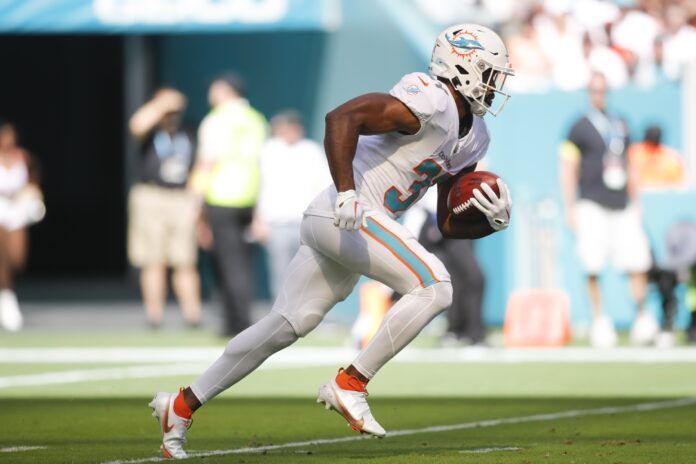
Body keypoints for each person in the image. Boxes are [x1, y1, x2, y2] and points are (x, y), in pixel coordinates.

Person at [150, 24, 514, 458]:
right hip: (349, 212)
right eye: (490, 74)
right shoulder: (431, 99)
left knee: (285, 325)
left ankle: (182, 405)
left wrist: (485, 219)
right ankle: (350, 384)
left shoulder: (475, 135)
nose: (494, 87)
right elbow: (342, 118)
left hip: (355, 225)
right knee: (436, 285)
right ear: (462, 67)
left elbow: (446, 222)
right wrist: (346, 192)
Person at [560, 72, 653, 348]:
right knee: (592, 262)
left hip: (621, 202)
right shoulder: (578, 127)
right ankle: (599, 320)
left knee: (637, 261)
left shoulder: (621, 123)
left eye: (603, 90)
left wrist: (637, 201)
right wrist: (570, 206)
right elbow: (568, 168)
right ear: (589, 93)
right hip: (591, 202)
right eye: (595, 90)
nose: (599, 95)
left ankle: (641, 317)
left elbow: (631, 165)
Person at [189, 74, 267, 337]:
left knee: (226, 263)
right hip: (249, 197)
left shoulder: (216, 119)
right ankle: (238, 319)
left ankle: (237, 322)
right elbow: (261, 164)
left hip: (222, 197)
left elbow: (206, 161)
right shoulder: (256, 119)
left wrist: (194, 200)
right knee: (242, 263)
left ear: (224, 91)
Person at [128, 88, 201, 328]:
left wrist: (195, 203)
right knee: (153, 259)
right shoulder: (151, 132)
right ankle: (154, 316)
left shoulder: (187, 133)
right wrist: (160, 104)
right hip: (151, 195)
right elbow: (136, 125)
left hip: (180, 197)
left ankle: (192, 316)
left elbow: (196, 170)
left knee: (185, 260)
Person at [252, 110, 331, 298]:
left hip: (305, 223)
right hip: (276, 223)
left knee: (309, 272)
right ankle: (280, 315)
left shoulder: (311, 151)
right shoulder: (268, 150)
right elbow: (258, 186)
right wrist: (258, 220)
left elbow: (323, 186)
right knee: (280, 273)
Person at [0, 122, 45, 332]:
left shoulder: (23, 157)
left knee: (17, 259)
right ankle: (6, 297)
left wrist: (32, 194)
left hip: (16, 212)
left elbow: (34, 177)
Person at [628, 125, 685, 189]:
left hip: (663, 192)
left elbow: (680, 182)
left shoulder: (671, 156)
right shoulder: (634, 152)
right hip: (640, 191)